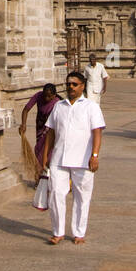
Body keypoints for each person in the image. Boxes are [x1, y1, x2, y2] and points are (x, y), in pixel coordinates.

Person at [42, 69, 105, 245]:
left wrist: (94, 155)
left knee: (82, 197)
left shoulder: (91, 107)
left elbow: (97, 132)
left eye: (74, 84)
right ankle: (58, 231)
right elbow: (51, 132)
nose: (70, 87)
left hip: (82, 159)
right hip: (59, 158)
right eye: (68, 84)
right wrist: (46, 155)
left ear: (82, 86)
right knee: (56, 194)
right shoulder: (58, 106)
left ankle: (79, 232)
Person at [18, 83, 59, 170]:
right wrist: (23, 124)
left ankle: (44, 173)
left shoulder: (57, 103)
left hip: (50, 130)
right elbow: (26, 110)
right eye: (45, 96)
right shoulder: (38, 96)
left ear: (54, 96)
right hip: (40, 128)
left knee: (47, 152)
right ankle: (39, 175)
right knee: (38, 149)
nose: (46, 98)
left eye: (49, 97)